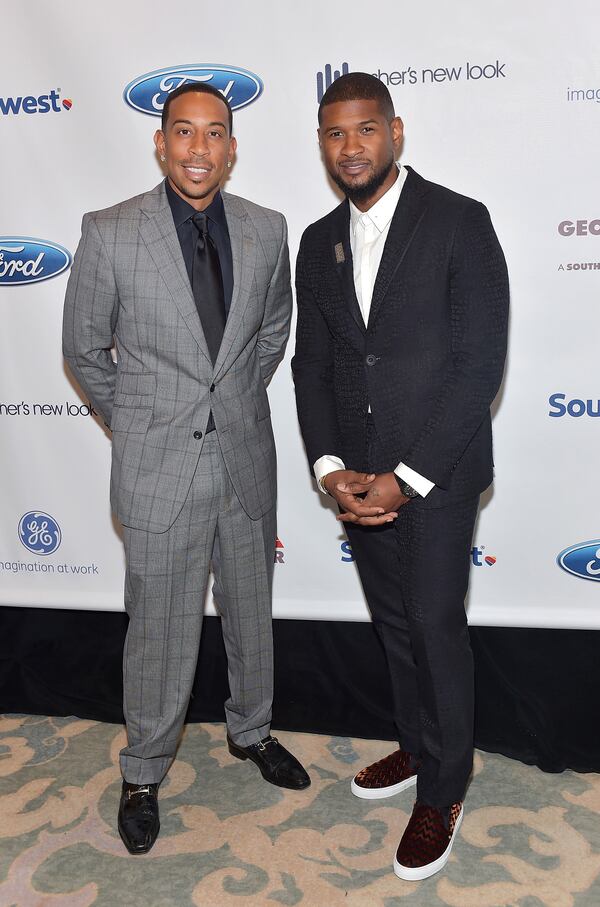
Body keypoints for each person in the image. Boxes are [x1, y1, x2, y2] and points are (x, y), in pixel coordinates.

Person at [63, 82, 310, 856]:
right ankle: (142, 771)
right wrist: (134, 422)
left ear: (232, 148)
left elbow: (271, 335)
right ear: (161, 143)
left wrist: (227, 399)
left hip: (243, 456)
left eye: (214, 134)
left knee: (251, 613)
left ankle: (253, 730)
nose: (199, 149)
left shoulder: (268, 231)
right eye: (184, 133)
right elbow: (82, 351)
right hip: (157, 467)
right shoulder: (108, 232)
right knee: (158, 631)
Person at [292, 72, 508, 881]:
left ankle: (446, 788)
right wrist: (329, 467)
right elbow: (312, 364)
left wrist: (408, 476)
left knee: (433, 624)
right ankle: (420, 746)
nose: (350, 148)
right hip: (356, 481)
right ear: (322, 143)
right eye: (334, 134)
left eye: (365, 130)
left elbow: (479, 365)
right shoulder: (319, 241)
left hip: (438, 476)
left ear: (396, 131)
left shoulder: (459, 220)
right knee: (393, 625)